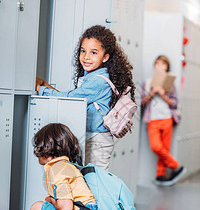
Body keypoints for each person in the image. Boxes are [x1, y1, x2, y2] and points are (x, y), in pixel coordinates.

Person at [35, 25, 135, 170]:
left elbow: (71, 98)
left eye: (94, 52)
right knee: (88, 180)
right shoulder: (94, 75)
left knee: (96, 182)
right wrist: (46, 87)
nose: (86, 57)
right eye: (83, 51)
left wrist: (41, 88)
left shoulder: (98, 80)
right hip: (93, 137)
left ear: (105, 57)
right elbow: (73, 98)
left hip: (97, 141)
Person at [141, 55, 186, 186]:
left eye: (163, 64)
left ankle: (161, 175)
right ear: (154, 66)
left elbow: (174, 103)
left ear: (167, 67)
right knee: (156, 146)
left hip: (166, 118)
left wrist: (163, 94)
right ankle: (176, 166)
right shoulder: (148, 82)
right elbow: (143, 101)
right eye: (158, 64)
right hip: (153, 119)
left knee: (164, 148)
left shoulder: (170, 85)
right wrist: (152, 93)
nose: (160, 67)